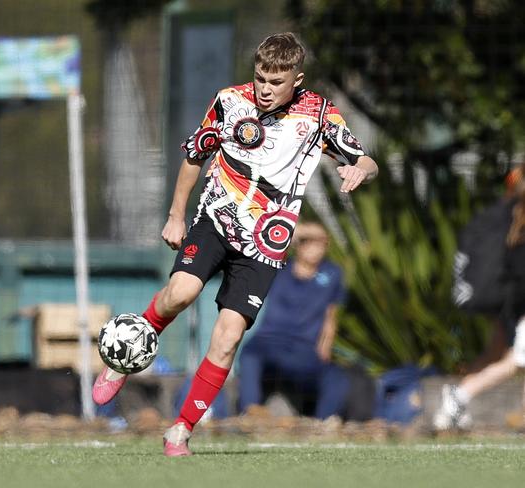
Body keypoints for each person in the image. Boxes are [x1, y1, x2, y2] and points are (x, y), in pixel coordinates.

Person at [92, 32, 378, 455]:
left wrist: (359, 171)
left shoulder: (317, 115)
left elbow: (365, 159)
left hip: (265, 242)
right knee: (181, 292)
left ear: (296, 80)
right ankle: (125, 358)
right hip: (215, 220)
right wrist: (175, 215)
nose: (264, 88)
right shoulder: (229, 101)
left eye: (275, 81)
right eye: (260, 77)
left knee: (227, 337)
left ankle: (181, 430)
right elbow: (195, 154)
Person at [433, 163, 525, 430]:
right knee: (513, 363)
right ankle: (458, 397)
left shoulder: (507, 218)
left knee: (500, 353)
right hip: (517, 306)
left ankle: (456, 401)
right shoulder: (514, 224)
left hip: (510, 305)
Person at [237, 221, 351, 418]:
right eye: (309, 242)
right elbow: (263, 238)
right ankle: (251, 411)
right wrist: (299, 231)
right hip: (269, 342)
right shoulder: (279, 267)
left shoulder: (332, 273)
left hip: (304, 349)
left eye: (321, 243)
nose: (316, 248)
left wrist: (325, 346)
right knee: (249, 353)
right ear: (298, 244)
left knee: (336, 377)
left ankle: (323, 424)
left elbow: (331, 317)